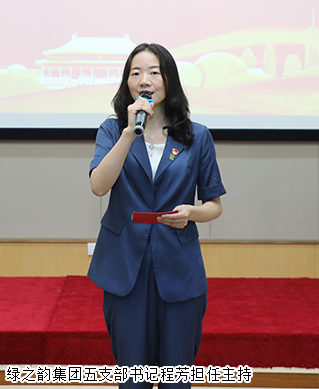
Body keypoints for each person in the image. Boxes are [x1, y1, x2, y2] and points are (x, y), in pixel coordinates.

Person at [88, 43, 226, 389]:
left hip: (178, 263)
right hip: (124, 264)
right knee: (133, 379)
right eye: (135, 73)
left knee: (175, 379)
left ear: (169, 80)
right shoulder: (112, 130)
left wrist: (192, 212)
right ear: (127, 82)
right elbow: (99, 186)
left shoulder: (197, 136)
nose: (144, 80)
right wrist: (128, 133)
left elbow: (214, 204)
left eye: (154, 72)